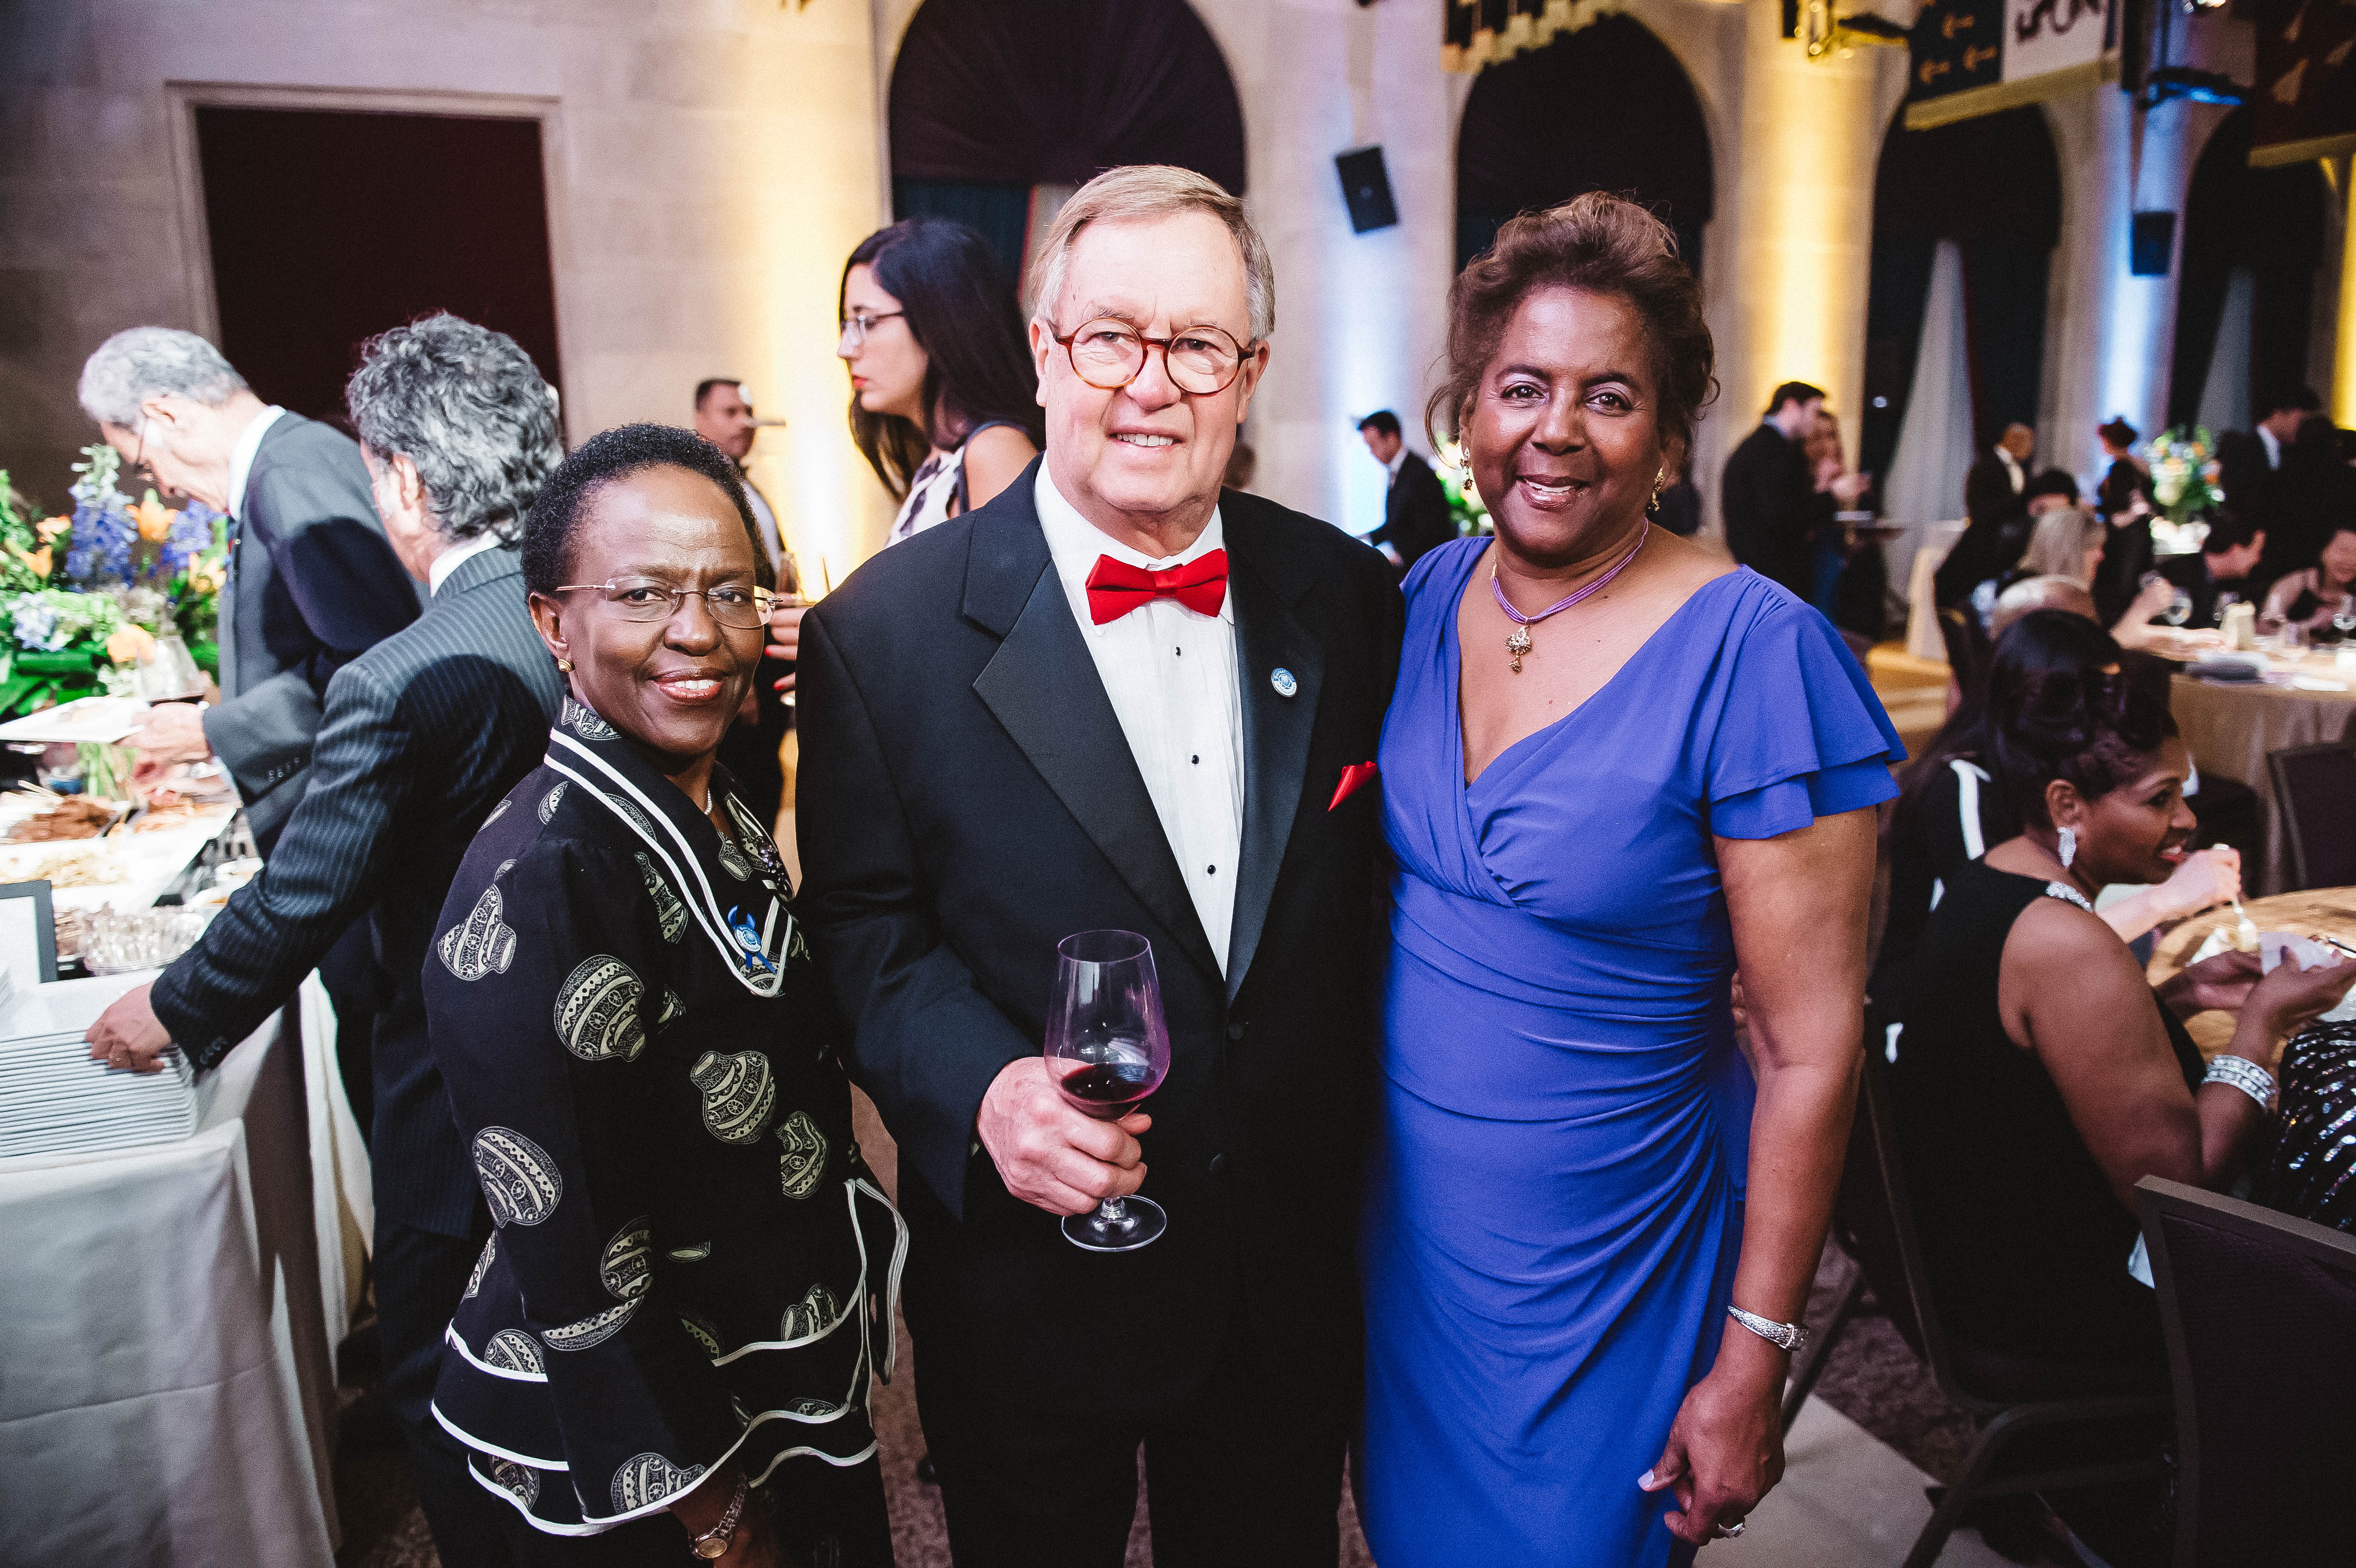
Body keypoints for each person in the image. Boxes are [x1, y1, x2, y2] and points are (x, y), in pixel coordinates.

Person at [797, 164, 1399, 1566]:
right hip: (1027, 1275)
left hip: (1279, 1264)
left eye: (1195, 345)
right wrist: (985, 1088)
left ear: (1247, 371)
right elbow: (865, 932)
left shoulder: (1351, 598)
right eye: (1109, 338)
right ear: (1045, 352)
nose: (1150, 384)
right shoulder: (880, 637)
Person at [1359, 191, 1903, 1564]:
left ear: (1667, 441)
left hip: (1614, 1258)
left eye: (1609, 397)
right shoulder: (1423, 600)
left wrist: (1757, 1359)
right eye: (1521, 386)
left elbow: (1808, 1047)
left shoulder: (1753, 650)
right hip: (1412, 1250)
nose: (1555, 428)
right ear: (1467, 414)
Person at [82, 314, 567, 1568]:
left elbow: (306, 892)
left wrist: (174, 1007)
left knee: (434, 1360)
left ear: (400, 480)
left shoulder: (399, 674)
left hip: (453, 1050)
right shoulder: (571, 613)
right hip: (567, 1035)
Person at [426, 423, 901, 1565]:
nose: (699, 633)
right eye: (643, 593)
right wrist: (713, 1514)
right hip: (651, 1446)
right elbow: (573, 1241)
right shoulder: (546, 881)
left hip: (763, 1354)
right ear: (554, 620)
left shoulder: (710, 792)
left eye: (731, 592)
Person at [1891, 629, 2355, 1562]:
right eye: (2160, 798)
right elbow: (2180, 1189)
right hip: (2058, 1305)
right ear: (2066, 802)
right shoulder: (2068, 944)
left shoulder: (1997, 884)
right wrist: (2263, 1022)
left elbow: (2029, 1066)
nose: (2189, 820)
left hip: (1974, 1257)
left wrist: (2178, 994)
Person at [76, 327, 422, 850]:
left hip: (357, 830)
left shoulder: (287, 473)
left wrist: (217, 733)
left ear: (167, 413)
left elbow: (372, 662)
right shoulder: (296, 453)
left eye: (146, 465)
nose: (165, 488)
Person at [1873, 613, 2240, 1035]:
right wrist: (2167, 898)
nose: (2110, 714)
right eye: (2089, 697)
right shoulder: (1962, 785)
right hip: (1929, 1023)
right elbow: (2008, 943)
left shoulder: (2057, 780)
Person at [838, 217, 1042, 545]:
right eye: (848, 325)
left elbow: (1012, 596)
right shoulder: (940, 458)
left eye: (867, 322)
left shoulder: (994, 451)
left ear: (941, 319)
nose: (845, 349)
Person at [693, 378, 793, 830]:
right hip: (740, 665)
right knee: (746, 786)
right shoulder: (701, 489)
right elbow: (712, 586)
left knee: (767, 777)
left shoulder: (744, 484)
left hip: (769, 655)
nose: (746, 422)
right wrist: (742, 677)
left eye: (747, 412)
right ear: (700, 419)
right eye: (730, 412)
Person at [1721, 380, 1865, 598]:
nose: (1815, 420)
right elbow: (1783, 516)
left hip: (1762, 565)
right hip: (1773, 569)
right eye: (1814, 411)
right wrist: (1833, 494)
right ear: (1791, 406)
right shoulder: (1771, 449)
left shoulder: (1763, 444)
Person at [1934, 421, 2036, 609]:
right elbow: (1979, 509)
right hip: (1987, 544)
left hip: (2006, 546)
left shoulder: (2019, 468)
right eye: (2029, 442)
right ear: (2014, 440)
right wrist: (2019, 503)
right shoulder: (1985, 467)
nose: (2031, 448)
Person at [1358, 409, 1455, 570]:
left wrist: (1400, 558)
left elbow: (1433, 531)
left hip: (1423, 569)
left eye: (1373, 445)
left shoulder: (1420, 474)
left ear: (1391, 437)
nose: (1371, 453)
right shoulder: (1398, 470)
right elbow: (1398, 523)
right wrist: (1363, 540)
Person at [2156, 508, 2266, 630]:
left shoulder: (2222, 583)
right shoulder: (2176, 576)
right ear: (2236, 549)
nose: (2258, 560)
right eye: (2257, 551)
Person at [2093, 418, 2157, 626]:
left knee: (2119, 591)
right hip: (2140, 536)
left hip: (2124, 541)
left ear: (2110, 441)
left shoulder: (2120, 469)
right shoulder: (2139, 466)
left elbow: (2120, 508)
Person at [2258, 520, 2356, 635]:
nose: (2350, 560)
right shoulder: (2298, 583)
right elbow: (2263, 629)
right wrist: (2307, 626)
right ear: (2323, 553)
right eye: (2343, 551)